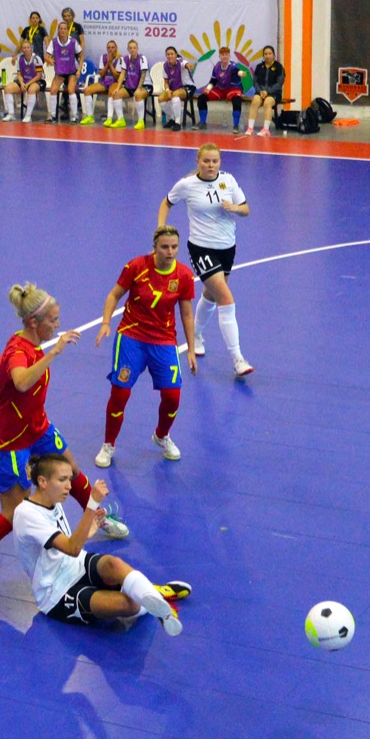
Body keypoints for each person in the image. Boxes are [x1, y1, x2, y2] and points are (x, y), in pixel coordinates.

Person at [0, 283, 129, 596]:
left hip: (37, 428)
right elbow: (22, 382)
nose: (58, 324)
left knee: (72, 469)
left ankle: (97, 517)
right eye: (53, 320)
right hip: (10, 442)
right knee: (13, 517)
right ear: (33, 323)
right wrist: (55, 350)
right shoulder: (17, 351)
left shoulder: (35, 344)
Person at [12, 453, 187, 633]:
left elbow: (64, 545)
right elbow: (71, 548)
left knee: (114, 564)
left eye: (70, 480)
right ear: (43, 481)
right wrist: (92, 503)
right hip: (55, 592)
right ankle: (153, 597)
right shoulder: (27, 515)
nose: (69, 486)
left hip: (75, 564)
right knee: (126, 605)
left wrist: (88, 532)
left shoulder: (52, 500)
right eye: (62, 479)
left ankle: (153, 598)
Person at [93, 226, 198, 467]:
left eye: (174, 247)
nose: (170, 252)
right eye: (165, 247)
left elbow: (187, 314)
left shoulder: (183, 275)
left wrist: (191, 348)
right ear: (155, 247)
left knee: (172, 396)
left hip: (164, 341)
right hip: (132, 336)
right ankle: (108, 444)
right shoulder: (136, 267)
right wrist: (106, 323)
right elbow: (113, 295)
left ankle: (161, 436)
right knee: (120, 393)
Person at [157, 143, 254, 376]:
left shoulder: (228, 180)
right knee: (226, 299)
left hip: (227, 247)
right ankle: (237, 358)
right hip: (201, 248)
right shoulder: (187, 185)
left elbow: (246, 209)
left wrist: (234, 208)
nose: (211, 165)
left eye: (215, 161)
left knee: (211, 295)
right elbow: (166, 202)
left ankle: (196, 335)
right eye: (206, 161)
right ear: (198, 161)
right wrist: (161, 229)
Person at [45, 19, 82, 123]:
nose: (62, 30)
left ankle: (74, 116)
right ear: (58, 30)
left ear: (67, 31)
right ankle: (52, 116)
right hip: (60, 72)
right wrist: (50, 60)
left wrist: (79, 70)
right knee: (53, 90)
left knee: (71, 90)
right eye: (60, 29)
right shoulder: (54, 42)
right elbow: (46, 56)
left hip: (71, 71)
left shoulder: (73, 42)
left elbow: (81, 55)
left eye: (64, 29)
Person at [198, 49, 244, 131]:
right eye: (222, 55)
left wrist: (241, 73)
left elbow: (237, 71)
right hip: (220, 89)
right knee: (201, 98)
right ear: (219, 56)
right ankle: (202, 122)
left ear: (229, 56)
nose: (224, 56)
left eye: (226, 54)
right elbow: (213, 80)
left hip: (232, 89)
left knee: (237, 100)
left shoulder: (233, 65)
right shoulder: (217, 67)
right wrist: (208, 89)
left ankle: (236, 125)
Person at [107, 39, 149, 129]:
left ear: (137, 49)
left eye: (134, 48)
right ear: (127, 49)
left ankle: (141, 121)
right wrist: (118, 87)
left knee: (138, 95)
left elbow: (143, 74)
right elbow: (122, 74)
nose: (132, 50)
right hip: (130, 85)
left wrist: (138, 88)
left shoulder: (142, 58)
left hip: (144, 85)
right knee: (116, 94)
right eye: (130, 48)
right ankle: (121, 120)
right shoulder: (125, 59)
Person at [244, 45, 285, 136]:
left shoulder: (279, 67)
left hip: (274, 93)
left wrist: (268, 92)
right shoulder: (259, 67)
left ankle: (266, 129)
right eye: (265, 54)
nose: (267, 56)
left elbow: (279, 84)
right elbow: (255, 82)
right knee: (255, 100)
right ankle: (250, 128)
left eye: (270, 54)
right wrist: (261, 91)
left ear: (274, 55)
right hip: (260, 92)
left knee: (267, 102)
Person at [153, 46, 194, 130]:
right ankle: (172, 118)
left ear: (176, 55)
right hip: (173, 88)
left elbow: (186, 64)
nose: (170, 56)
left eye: (172, 54)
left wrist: (189, 65)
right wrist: (167, 90)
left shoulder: (181, 62)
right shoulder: (165, 66)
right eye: (168, 54)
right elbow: (166, 81)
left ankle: (178, 122)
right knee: (161, 99)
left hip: (187, 87)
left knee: (175, 96)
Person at [3, 40, 45, 122]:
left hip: (37, 81)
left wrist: (27, 84)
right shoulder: (20, 59)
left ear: (31, 48)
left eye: (28, 47)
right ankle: (11, 114)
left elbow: (39, 75)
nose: (26, 49)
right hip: (24, 80)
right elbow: (19, 74)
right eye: (24, 48)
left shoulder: (37, 59)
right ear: (22, 49)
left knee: (31, 89)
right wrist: (22, 83)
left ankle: (28, 115)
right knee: (7, 89)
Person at [83, 40, 120, 125]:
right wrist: (107, 63)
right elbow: (102, 74)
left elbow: (117, 76)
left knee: (111, 92)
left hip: (115, 82)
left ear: (116, 48)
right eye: (109, 47)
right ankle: (90, 116)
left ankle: (109, 118)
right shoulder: (103, 57)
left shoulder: (119, 59)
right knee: (87, 90)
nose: (110, 49)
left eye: (112, 47)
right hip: (105, 82)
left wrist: (111, 63)